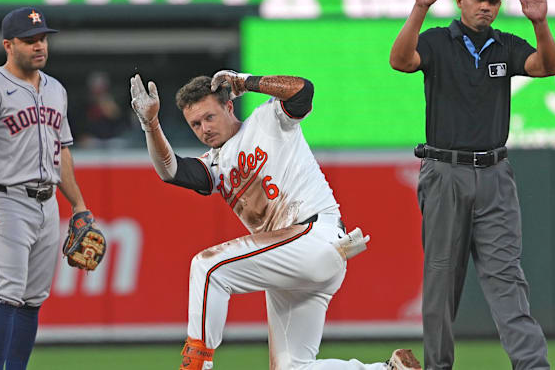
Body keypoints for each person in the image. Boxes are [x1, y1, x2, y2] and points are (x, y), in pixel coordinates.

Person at [130, 71, 422, 370]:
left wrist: (245, 82)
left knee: (208, 266)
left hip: (314, 235)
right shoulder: (215, 164)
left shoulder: (267, 119)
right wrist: (150, 124)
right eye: (195, 124)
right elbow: (172, 171)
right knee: (291, 368)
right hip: (295, 258)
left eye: (209, 117)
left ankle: (196, 365)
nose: (204, 129)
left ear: (229, 108)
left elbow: (302, 91)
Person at [389, 0, 555, 369]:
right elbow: (400, 61)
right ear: (460, 0)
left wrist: (541, 23)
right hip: (446, 171)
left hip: (496, 175)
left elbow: (546, 66)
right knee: (441, 285)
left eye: (493, 0)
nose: (486, 5)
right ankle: (438, 367)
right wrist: (418, 9)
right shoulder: (436, 41)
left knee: (507, 280)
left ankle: (533, 365)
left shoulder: (505, 44)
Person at [0, 6, 91, 370]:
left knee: (33, 299)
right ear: (8, 45)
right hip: (7, 200)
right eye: (29, 40)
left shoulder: (56, 90)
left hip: (48, 204)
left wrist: (78, 203)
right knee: (6, 295)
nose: (39, 46)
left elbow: (61, 151)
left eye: (43, 39)